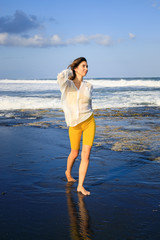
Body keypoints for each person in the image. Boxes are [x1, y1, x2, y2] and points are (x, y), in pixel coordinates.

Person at [57, 57, 96, 195]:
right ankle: (68, 172)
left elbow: (89, 105)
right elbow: (60, 76)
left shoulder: (89, 86)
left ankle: (80, 185)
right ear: (76, 68)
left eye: (87, 66)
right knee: (74, 153)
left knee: (86, 155)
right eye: (83, 66)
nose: (86, 69)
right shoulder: (66, 84)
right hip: (74, 124)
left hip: (89, 121)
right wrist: (71, 70)